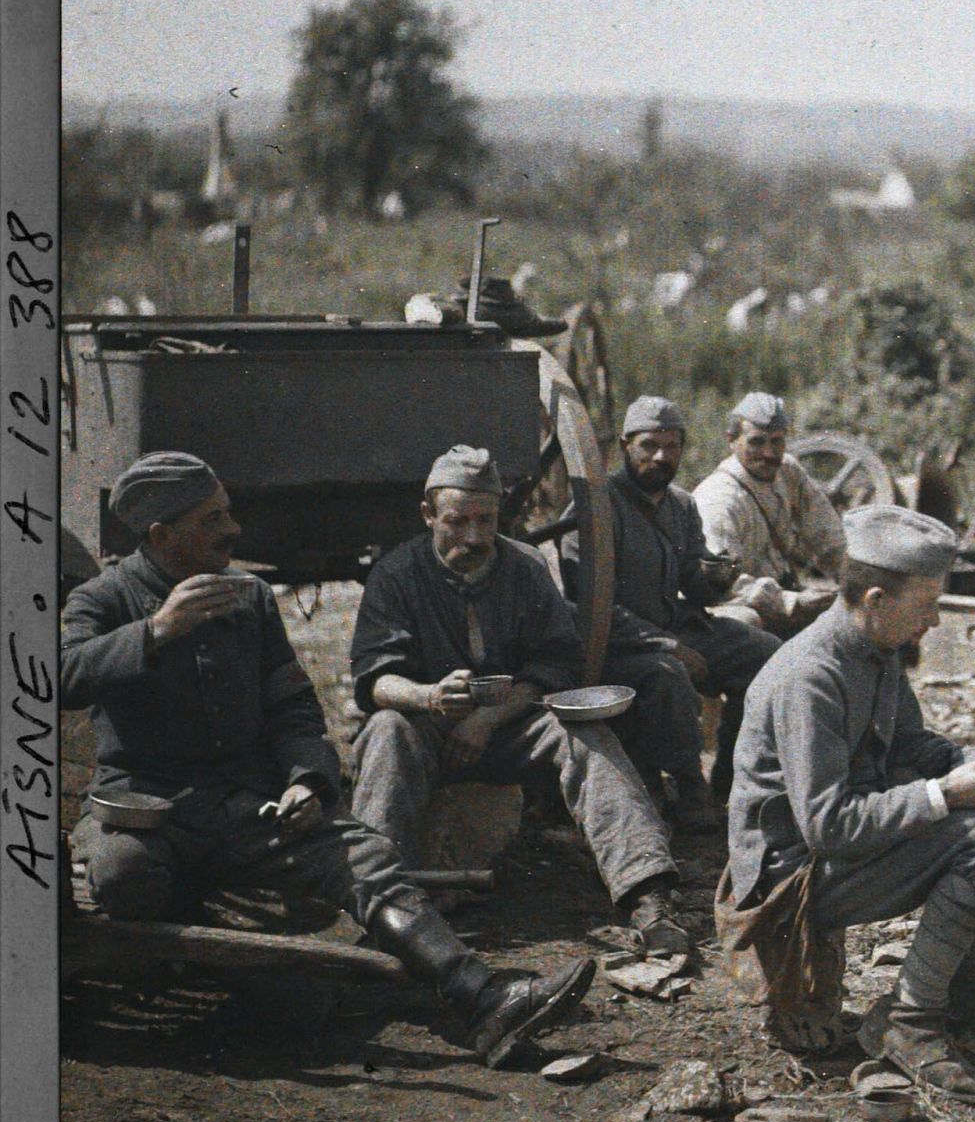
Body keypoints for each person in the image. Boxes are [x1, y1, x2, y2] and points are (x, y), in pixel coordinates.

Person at [63, 452, 592, 1068]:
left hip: (247, 806)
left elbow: (294, 711)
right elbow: (56, 676)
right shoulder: (102, 599)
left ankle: (483, 996)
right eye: (214, 519)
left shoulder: (250, 597)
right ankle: (224, 946)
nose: (234, 530)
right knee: (124, 878)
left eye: (228, 512)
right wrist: (155, 630)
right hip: (150, 813)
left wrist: (306, 779)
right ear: (162, 536)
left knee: (364, 856)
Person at [724, 506, 975, 1102]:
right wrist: (947, 794)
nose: (935, 620)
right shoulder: (812, 674)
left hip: (837, 856)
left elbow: (911, 746)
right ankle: (911, 1022)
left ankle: (957, 987)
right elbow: (827, 825)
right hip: (789, 886)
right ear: (876, 598)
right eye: (927, 604)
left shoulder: (875, 648)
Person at [348, 445, 689, 956]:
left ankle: (649, 893)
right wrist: (429, 697)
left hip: (510, 727)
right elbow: (374, 679)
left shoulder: (525, 567)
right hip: (426, 727)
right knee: (385, 731)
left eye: (486, 520)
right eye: (458, 521)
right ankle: (379, 905)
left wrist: (490, 717)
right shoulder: (397, 574)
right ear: (427, 515)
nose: (474, 537)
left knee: (584, 734)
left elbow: (557, 664)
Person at [566, 396, 781, 815]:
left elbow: (693, 583)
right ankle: (687, 783)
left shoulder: (680, 504)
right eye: (649, 446)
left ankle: (735, 775)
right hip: (616, 643)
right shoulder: (596, 507)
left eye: (672, 446)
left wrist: (715, 580)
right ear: (626, 446)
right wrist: (665, 645)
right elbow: (588, 604)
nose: (661, 457)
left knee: (766, 654)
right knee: (670, 675)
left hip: (676, 626)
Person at [691, 392, 847, 635]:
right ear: (732, 440)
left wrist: (852, 577)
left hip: (780, 595)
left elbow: (827, 533)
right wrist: (790, 602)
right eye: (756, 442)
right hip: (729, 606)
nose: (769, 453)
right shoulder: (718, 500)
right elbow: (722, 584)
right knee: (746, 621)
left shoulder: (788, 471)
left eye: (777, 441)